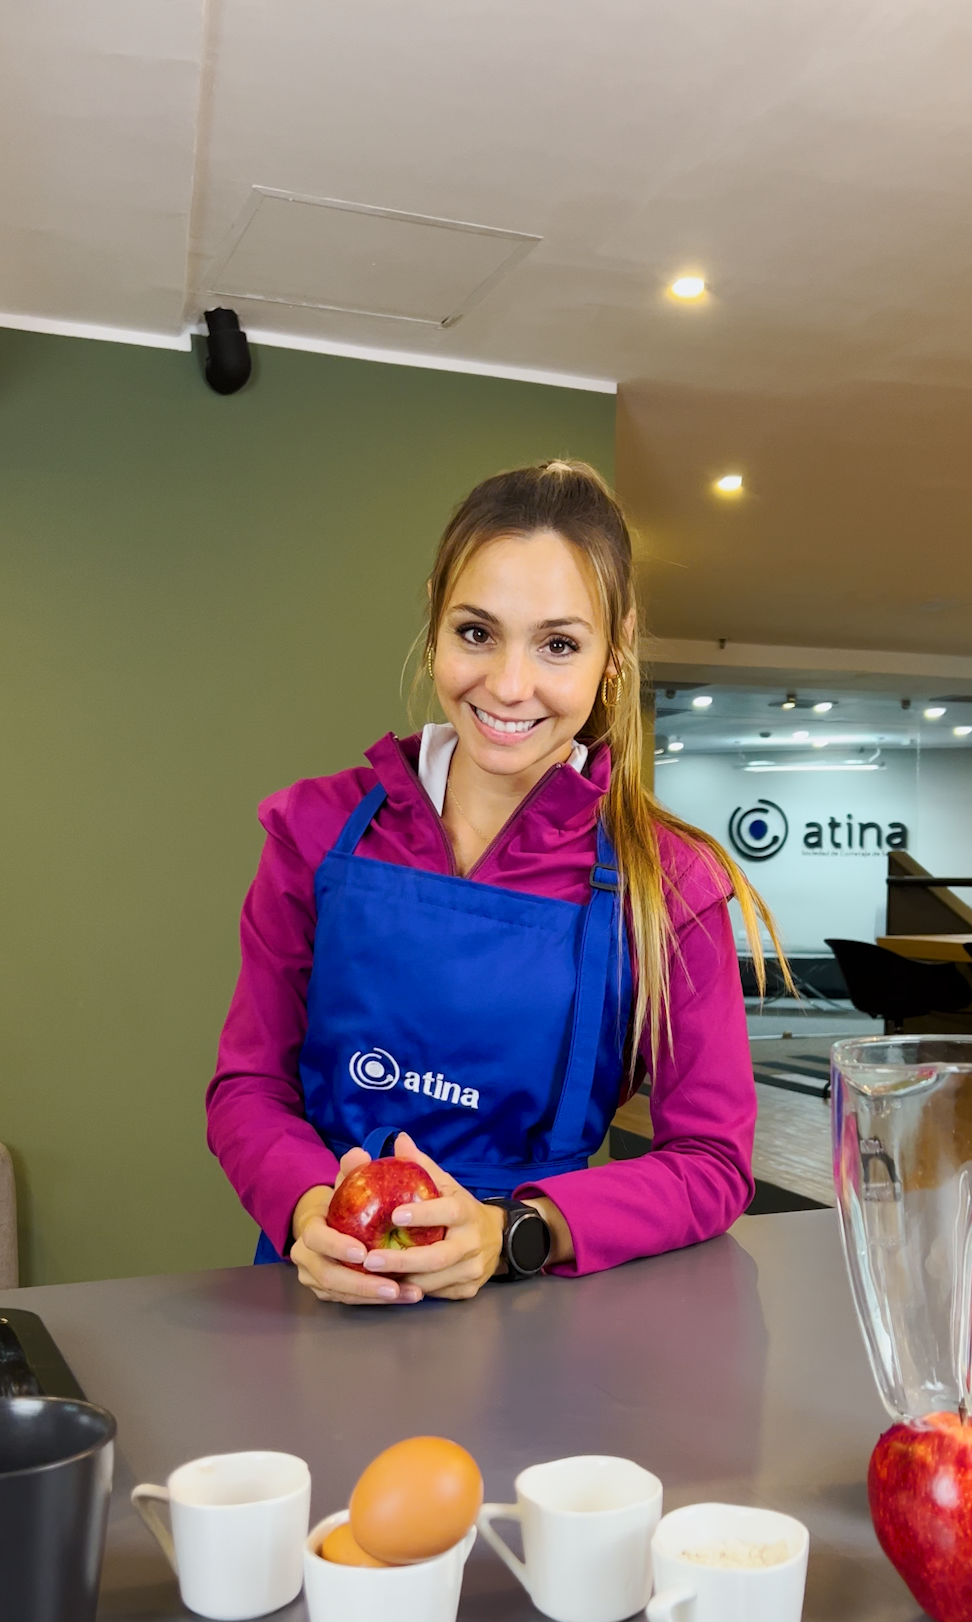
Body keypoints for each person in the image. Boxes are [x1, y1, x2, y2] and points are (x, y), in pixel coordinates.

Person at [206, 460, 786, 1306]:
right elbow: (248, 1086)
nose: (510, 686)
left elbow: (712, 1164)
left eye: (558, 644)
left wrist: (516, 1230)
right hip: (324, 1283)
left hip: (537, 1300)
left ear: (613, 652)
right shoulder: (315, 829)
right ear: (437, 617)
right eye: (478, 632)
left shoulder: (671, 883)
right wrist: (308, 1209)